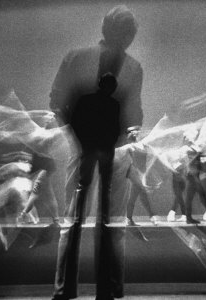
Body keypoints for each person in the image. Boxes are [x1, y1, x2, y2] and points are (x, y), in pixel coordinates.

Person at [49, 5, 143, 220]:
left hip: (96, 147)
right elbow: (134, 111)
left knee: (77, 216)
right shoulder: (132, 67)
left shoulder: (77, 57)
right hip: (108, 147)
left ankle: (75, 249)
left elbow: (56, 101)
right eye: (127, 32)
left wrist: (75, 135)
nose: (128, 38)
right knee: (109, 219)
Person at [52, 73, 122, 300]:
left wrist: (85, 145)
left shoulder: (88, 101)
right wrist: (100, 147)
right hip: (99, 155)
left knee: (77, 219)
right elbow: (114, 130)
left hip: (90, 154)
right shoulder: (111, 104)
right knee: (101, 220)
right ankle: (105, 291)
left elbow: (74, 123)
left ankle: (65, 290)